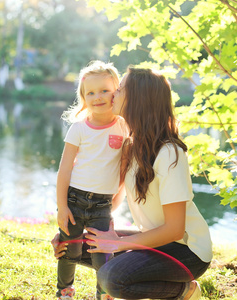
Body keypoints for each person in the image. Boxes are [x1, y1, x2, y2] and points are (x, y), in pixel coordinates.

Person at [53, 67, 212, 300]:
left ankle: (184, 291)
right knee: (74, 247)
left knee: (112, 278)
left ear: (137, 98)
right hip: (156, 240)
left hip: (187, 252)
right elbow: (112, 193)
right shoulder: (132, 144)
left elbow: (174, 229)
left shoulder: (169, 153)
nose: (114, 93)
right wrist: (72, 230)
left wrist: (117, 243)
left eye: (121, 89)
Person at [55, 60, 128, 300]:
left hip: (102, 206)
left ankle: (104, 293)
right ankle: (65, 290)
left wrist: (115, 201)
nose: (98, 97)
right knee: (70, 250)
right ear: (84, 97)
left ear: (117, 91)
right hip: (74, 199)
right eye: (91, 93)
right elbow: (64, 170)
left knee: (102, 253)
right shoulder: (78, 129)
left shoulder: (123, 127)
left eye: (105, 90)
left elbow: (124, 171)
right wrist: (62, 207)